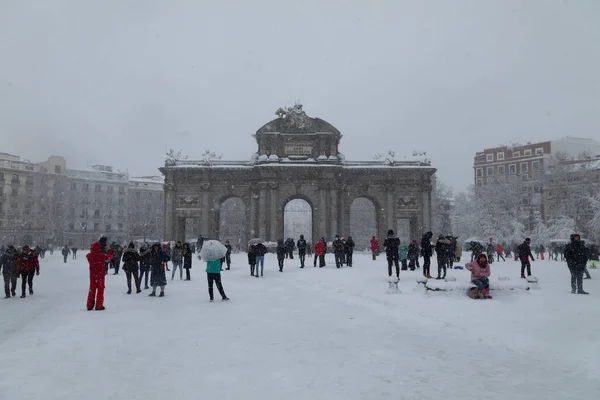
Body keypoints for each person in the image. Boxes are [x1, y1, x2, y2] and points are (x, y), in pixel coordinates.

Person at [86, 241, 113, 310]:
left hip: (92, 276)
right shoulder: (101, 256)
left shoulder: (89, 256)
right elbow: (110, 257)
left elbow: (88, 255)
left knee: (92, 290)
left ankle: (89, 305)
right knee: (100, 290)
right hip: (100, 275)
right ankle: (99, 305)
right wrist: (109, 250)